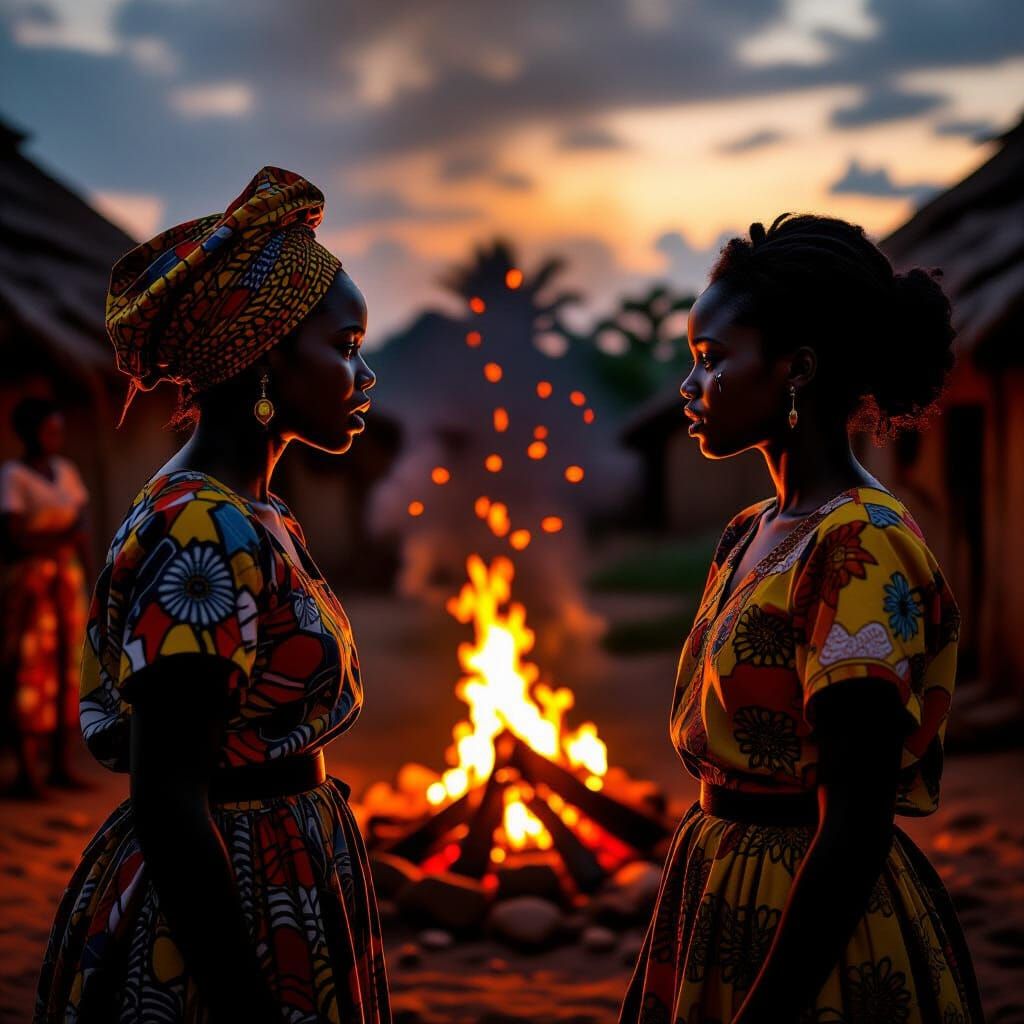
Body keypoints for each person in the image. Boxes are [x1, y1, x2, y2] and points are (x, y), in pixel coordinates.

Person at [36, 167, 389, 1023]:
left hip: (275, 869)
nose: (365, 374)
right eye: (345, 347)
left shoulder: (252, 512)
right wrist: (246, 1000)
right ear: (266, 354)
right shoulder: (204, 527)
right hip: (233, 891)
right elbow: (167, 799)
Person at [620, 214, 983, 1023]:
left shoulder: (860, 543)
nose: (689, 385)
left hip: (807, 921)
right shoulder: (751, 531)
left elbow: (854, 824)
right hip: (718, 887)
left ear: (798, 370)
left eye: (711, 361)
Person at [0, 397, 91, 797]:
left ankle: (59, 765)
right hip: (31, 586)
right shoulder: (14, 476)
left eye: (59, 430)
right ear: (29, 433)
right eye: (48, 430)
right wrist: (62, 539)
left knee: (66, 671)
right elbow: (14, 539)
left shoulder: (66, 471)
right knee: (28, 670)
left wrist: (93, 577)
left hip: (66, 584)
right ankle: (26, 772)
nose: (55, 437)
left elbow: (81, 531)